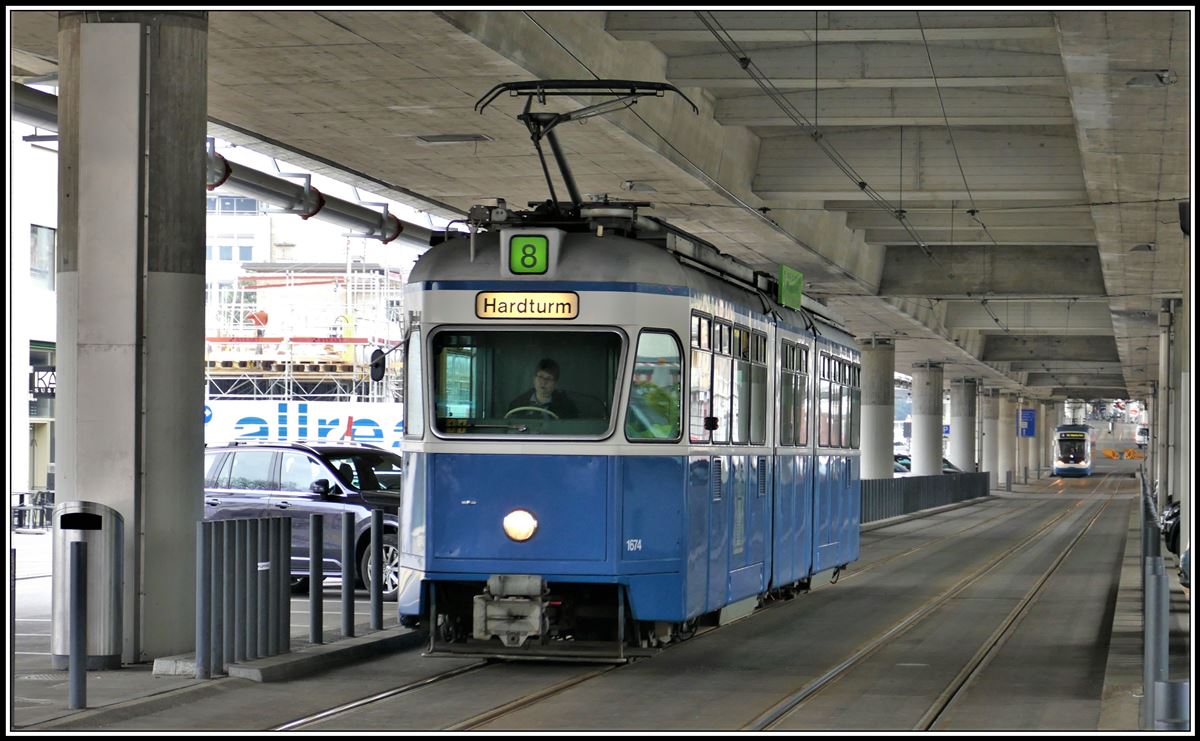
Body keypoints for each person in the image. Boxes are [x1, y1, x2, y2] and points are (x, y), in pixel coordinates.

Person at [507, 358, 579, 418]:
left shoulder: (567, 408)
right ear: (534, 379)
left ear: (555, 384)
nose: (543, 382)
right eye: (540, 377)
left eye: (549, 378)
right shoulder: (517, 404)